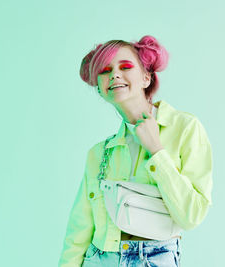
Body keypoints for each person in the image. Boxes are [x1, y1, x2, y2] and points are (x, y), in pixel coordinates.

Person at [58, 35, 213, 267]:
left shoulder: (185, 129)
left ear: (146, 77)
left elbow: (192, 215)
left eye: (125, 66)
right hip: (100, 259)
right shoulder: (99, 154)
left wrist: (156, 151)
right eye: (105, 70)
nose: (114, 75)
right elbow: (79, 231)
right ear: (99, 89)